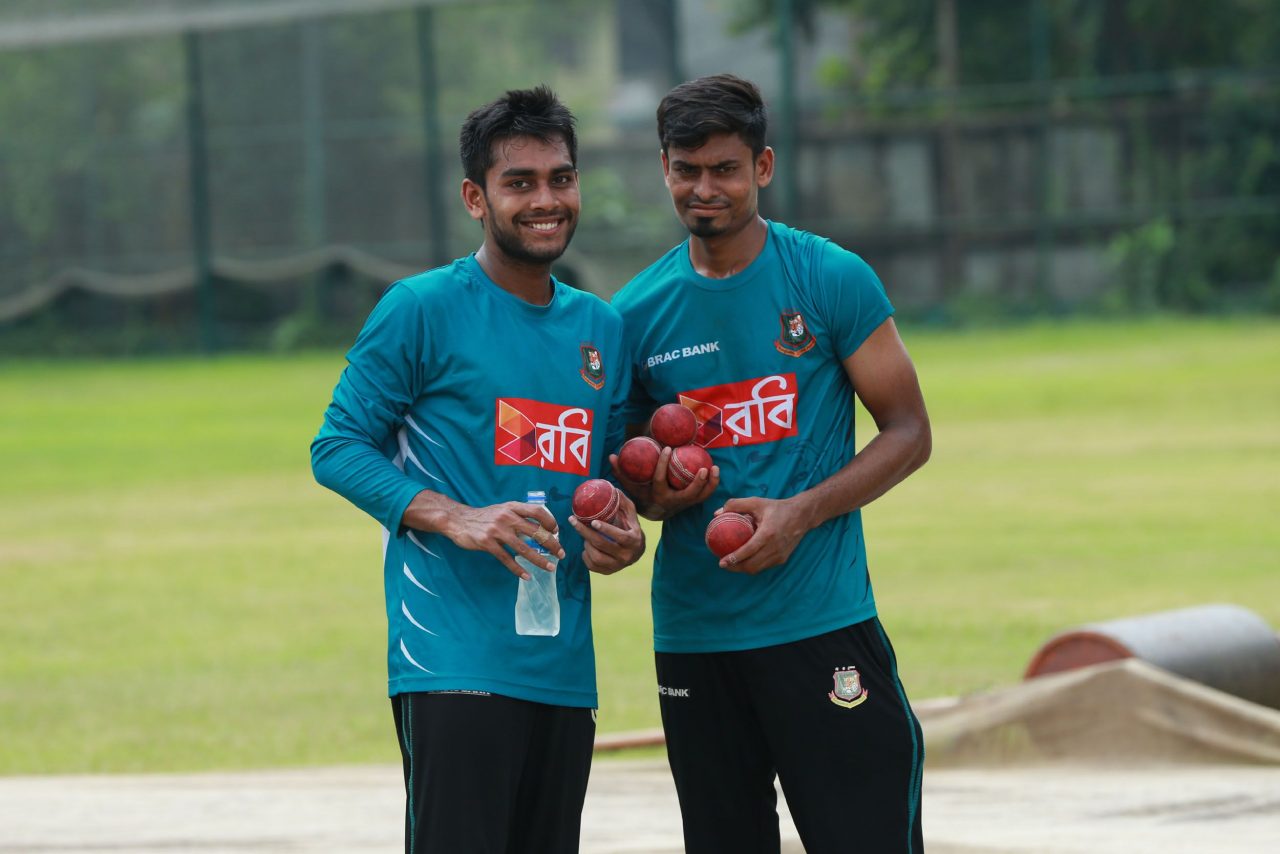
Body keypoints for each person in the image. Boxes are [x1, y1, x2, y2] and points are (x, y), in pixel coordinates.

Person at [311, 85, 644, 854]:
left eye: (560, 178)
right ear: (475, 197)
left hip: (562, 666)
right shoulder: (420, 309)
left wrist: (621, 537)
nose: (545, 200)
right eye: (518, 182)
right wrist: (455, 515)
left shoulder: (601, 329)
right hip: (449, 659)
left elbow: (604, 487)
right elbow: (336, 447)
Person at [610, 74, 931, 853]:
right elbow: (638, 484)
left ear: (764, 166)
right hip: (694, 636)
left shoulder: (829, 277)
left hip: (820, 625)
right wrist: (661, 493)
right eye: (686, 170)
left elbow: (909, 432)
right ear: (663, 169)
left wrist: (799, 514)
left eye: (724, 168)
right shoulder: (635, 313)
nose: (704, 188)